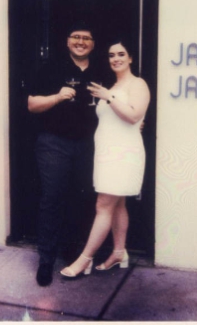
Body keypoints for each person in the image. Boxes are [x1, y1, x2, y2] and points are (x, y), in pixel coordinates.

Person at [59, 39, 151, 278]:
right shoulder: (111, 85)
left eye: (121, 54)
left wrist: (109, 97)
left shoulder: (137, 84)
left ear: (131, 58)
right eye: (111, 55)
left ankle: (84, 259)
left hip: (124, 154)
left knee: (103, 205)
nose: (116, 59)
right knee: (117, 204)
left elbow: (133, 116)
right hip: (107, 154)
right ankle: (119, 252)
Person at [26, 24, 103, 286]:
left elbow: (119, 98)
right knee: (52, 198)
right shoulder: (51, 67)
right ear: (68, 41)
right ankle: (46, 260)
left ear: (93, 43)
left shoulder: (101, 70)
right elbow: (32, 105)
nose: (81, 41)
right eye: (76, 37)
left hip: (89, 145)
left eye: (86, 38)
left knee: (81, 198)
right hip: (54, 143)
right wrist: (57, 97)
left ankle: (72, 251)